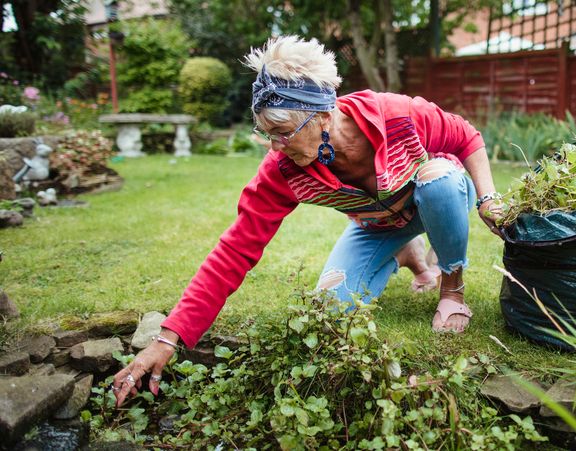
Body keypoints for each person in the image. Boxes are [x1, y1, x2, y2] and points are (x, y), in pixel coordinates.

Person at [111, 36, 503, 406]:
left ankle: (451, 287)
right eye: (266, 134)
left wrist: (487, 198)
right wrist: (169, 337)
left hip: (436, 197)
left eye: (282, 132)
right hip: (377, 224)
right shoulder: (282, 169)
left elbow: (467, 138)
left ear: (323, 116)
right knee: (330, 313)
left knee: (441, 182)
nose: (275, 147)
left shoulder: (396, 113)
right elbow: (235, 249)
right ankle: (408, 254)